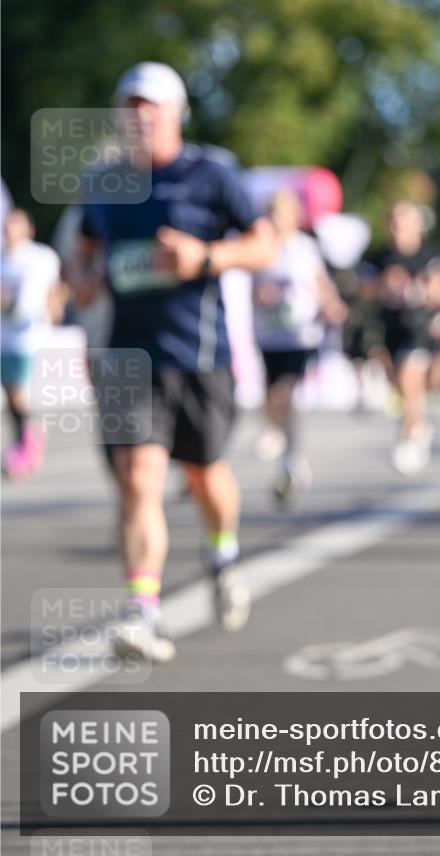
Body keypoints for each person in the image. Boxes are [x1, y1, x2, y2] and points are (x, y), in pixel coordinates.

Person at [70, 62, 276, 661]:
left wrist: (205, 257)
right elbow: (84, 249)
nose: (138, 118)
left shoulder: (212, 173)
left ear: (176, 113)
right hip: (128, 359)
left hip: (200, 358)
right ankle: (142, 612)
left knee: (205, 474)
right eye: (129, 107)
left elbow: (266, 244)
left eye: (150, 107)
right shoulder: (103, 182)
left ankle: (223, 552)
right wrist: (84, 277)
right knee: (139, 476)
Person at [252, 190, 347, 502]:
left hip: (301, 333)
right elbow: (249, 287)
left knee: (286, 393)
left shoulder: (305, 247)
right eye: (272, 213)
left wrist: (331, 303)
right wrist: (261, 294)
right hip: (269, 333)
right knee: (271, 397)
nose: (277, 220)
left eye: (282, 213)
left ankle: (290, 456)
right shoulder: (262, 247)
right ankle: (290, 454)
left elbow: (320, 282)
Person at [370, 201, 440, 475]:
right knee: (398, 383)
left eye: (406, 224)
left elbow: (438, 291)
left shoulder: (429, 256)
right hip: (388, 330)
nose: (400, 230)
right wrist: (383, 284)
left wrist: (419, 289)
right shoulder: (379, 257)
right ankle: (419, 424)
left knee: (410, 379)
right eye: (395, 224)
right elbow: (362, 288)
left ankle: (409, 437)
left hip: (419, 329)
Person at [1, 209, 62, 478]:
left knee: (17, 393)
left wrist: (54, 314)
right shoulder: (3, 258)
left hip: (28, 337)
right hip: (4, 336)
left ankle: (29, 442)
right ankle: (25, 441)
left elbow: (53, 291)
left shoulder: (40, 257)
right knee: (12, 395)